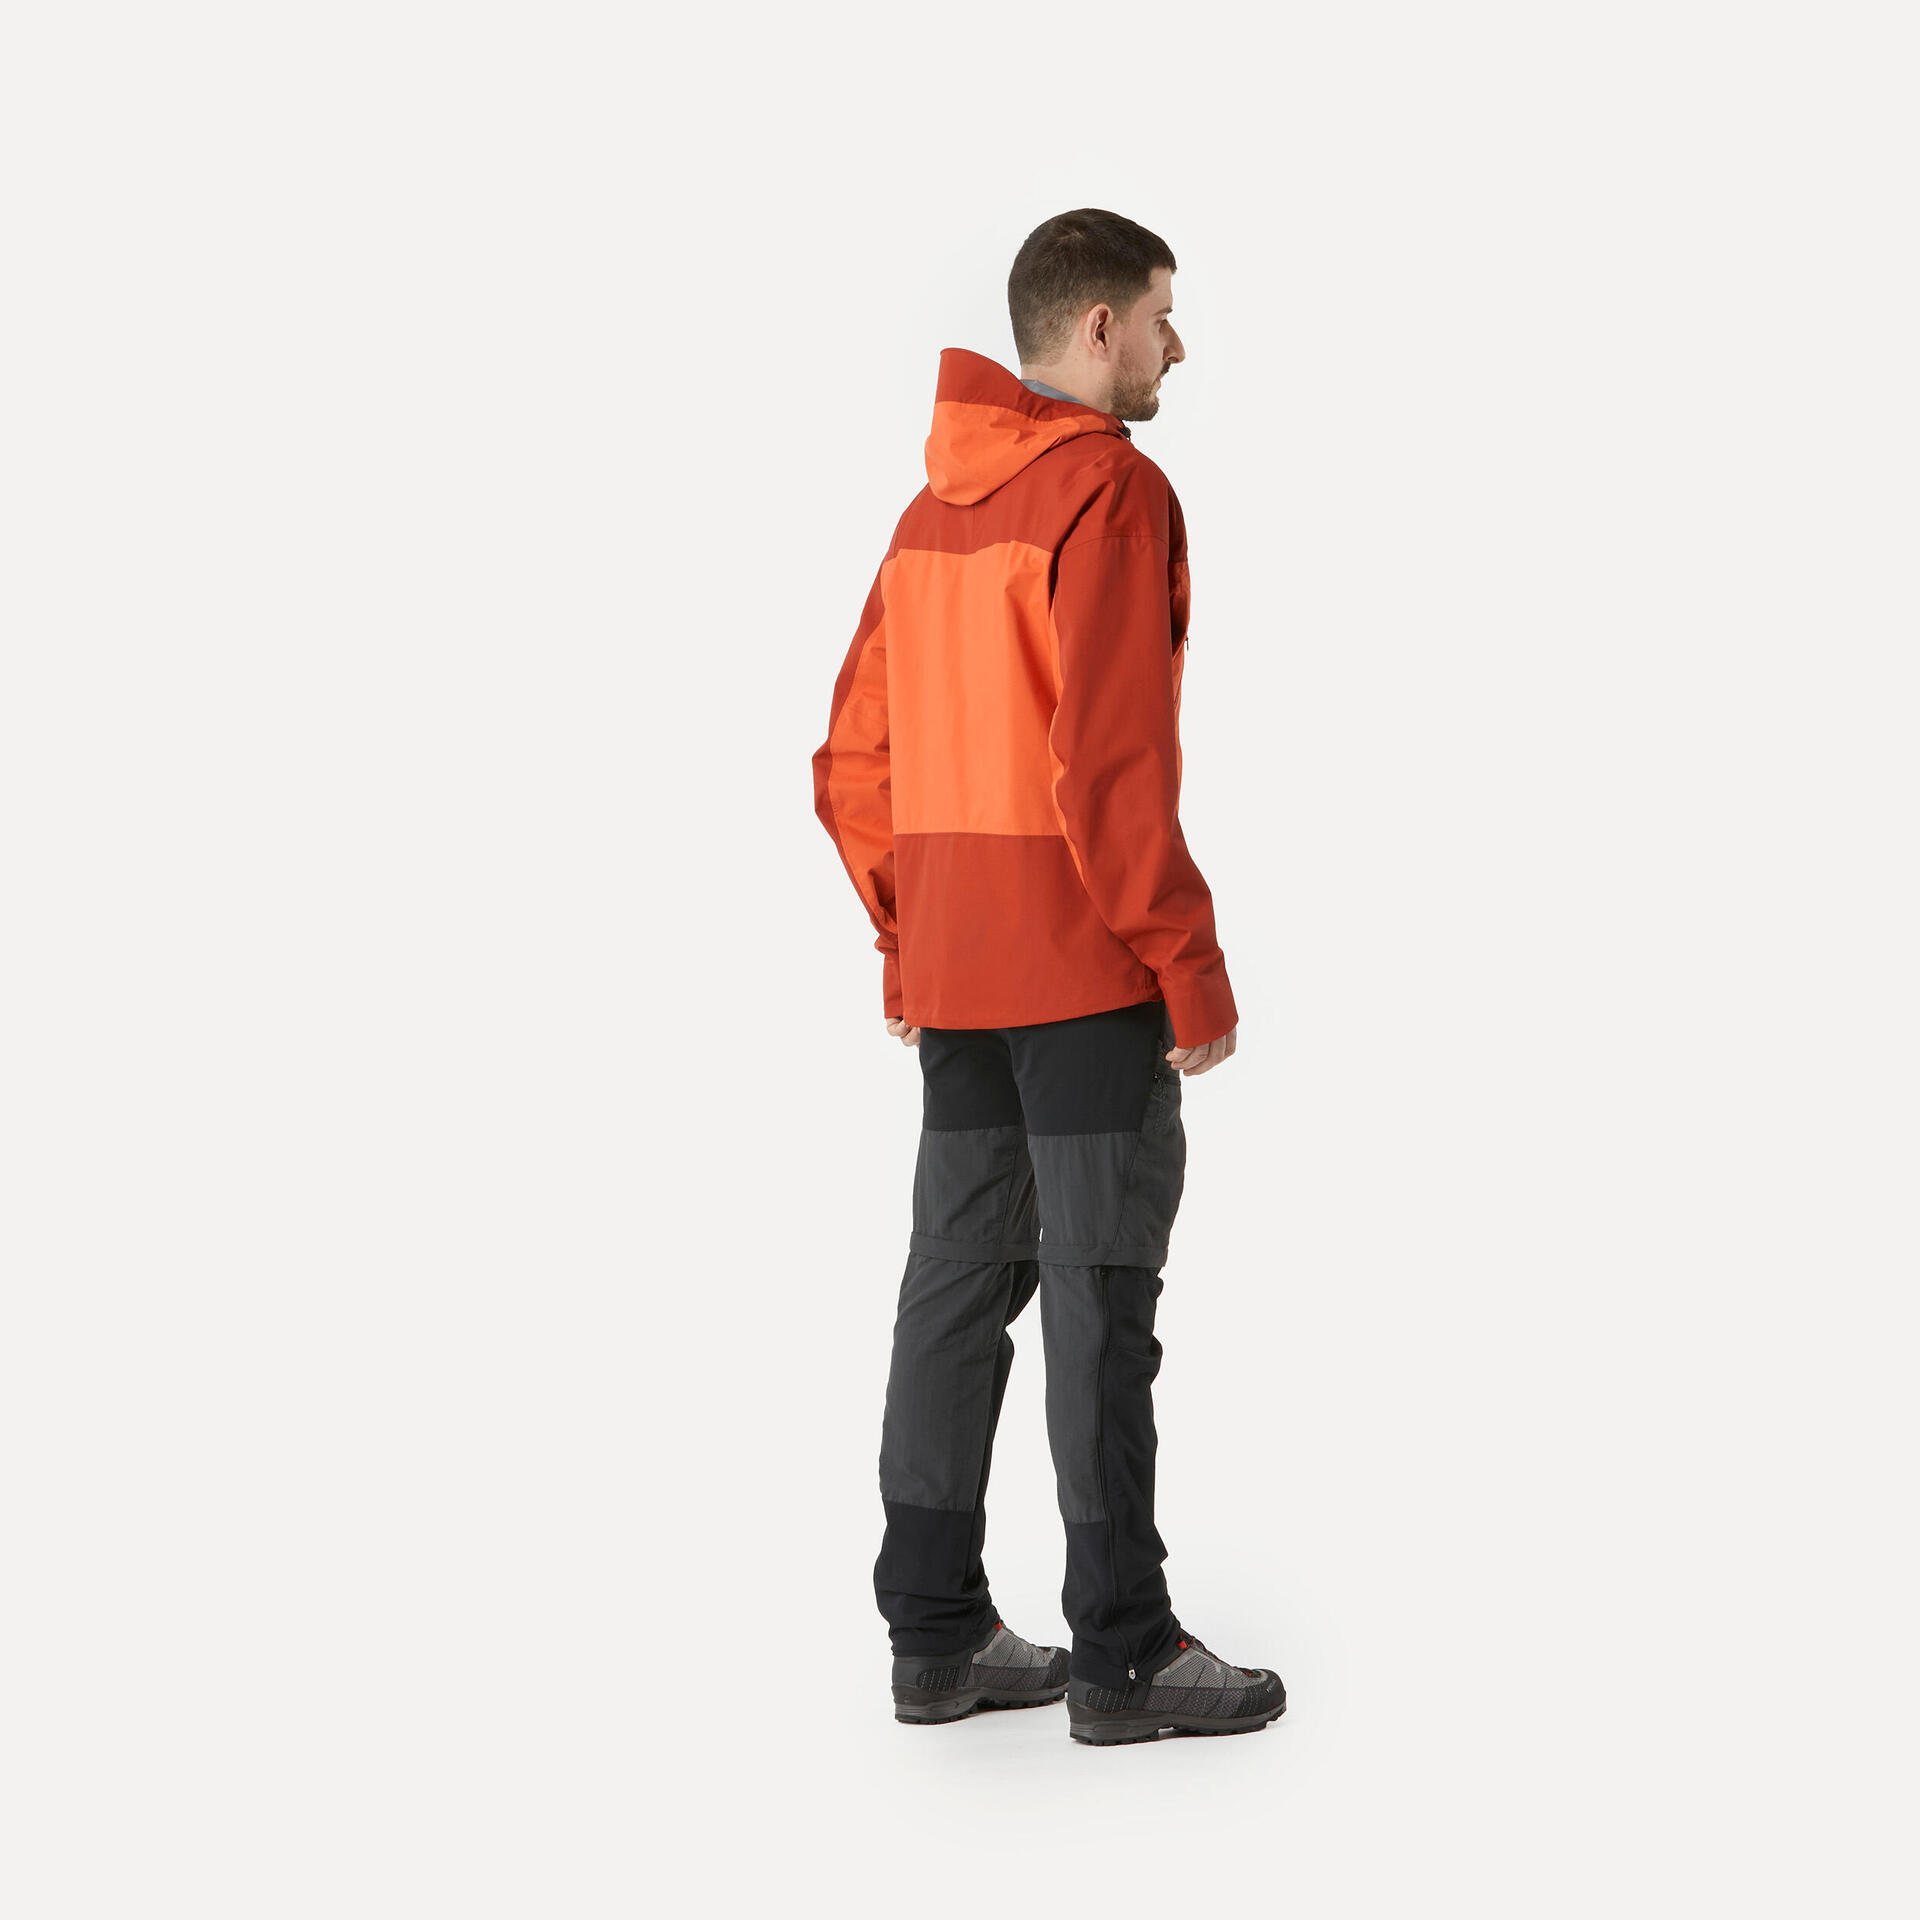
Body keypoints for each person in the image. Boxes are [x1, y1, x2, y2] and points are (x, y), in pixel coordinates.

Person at [811, 209, 1284, 1747]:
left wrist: (912, 934)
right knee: (1096, 1293)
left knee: (955, 1286)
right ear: (1096, 329)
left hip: (959, 973)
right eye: (1160, 315)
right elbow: (1111, 763)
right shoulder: (1112, 491)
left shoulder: (926, 516)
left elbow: (853, 763)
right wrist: (1187, 966)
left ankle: (935, 1635)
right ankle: (1122, 1652)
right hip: (1083, 971)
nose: (1174, 346)